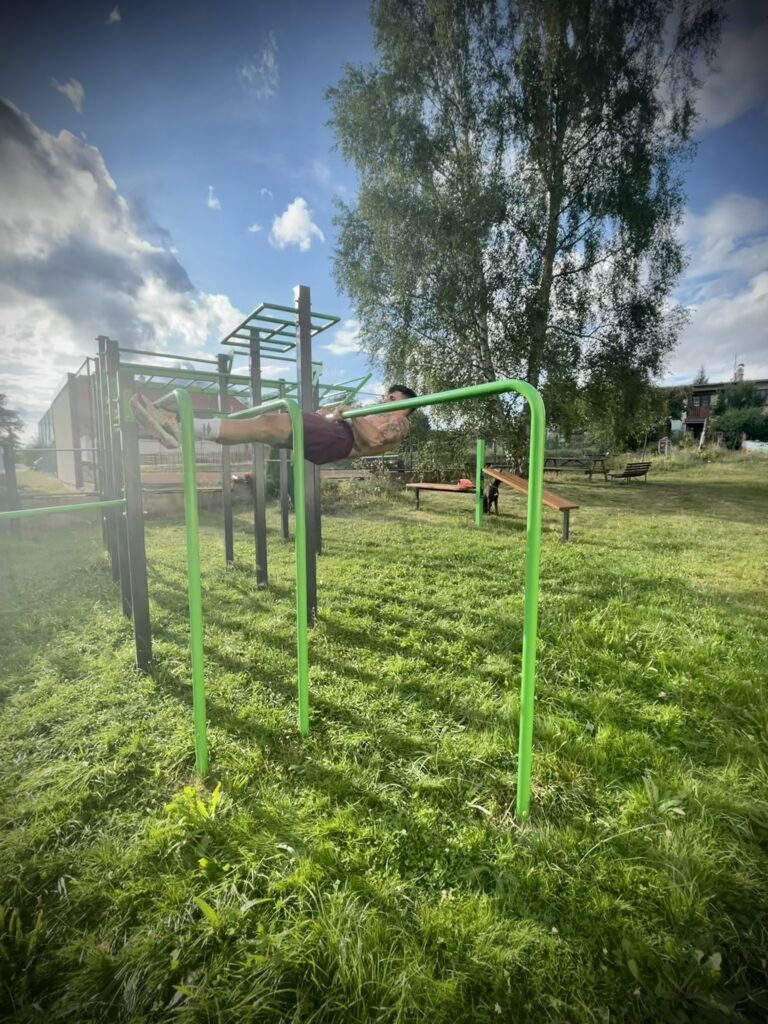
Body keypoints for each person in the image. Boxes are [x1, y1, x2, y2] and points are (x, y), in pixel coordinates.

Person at [130, 385, 418, 466]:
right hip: (334, 438)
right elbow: (358, 427)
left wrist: (350, 413)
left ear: (405, 403)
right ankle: (188, 431)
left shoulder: (398, 421)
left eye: (391, 396)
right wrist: (330, 413)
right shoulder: (382, 412)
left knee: (268, 422)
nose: (385, 398)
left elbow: (375, 441)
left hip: (339, 441)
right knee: (258, 428)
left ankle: (181, 425)